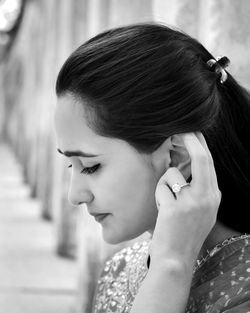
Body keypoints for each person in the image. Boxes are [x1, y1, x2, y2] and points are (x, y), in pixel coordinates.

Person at [54, 22, 250, 313]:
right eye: (71, 164)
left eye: (91, 167)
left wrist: (171, 267)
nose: (75, 195)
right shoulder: (120, 269)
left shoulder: (241, 293)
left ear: (177, 156)